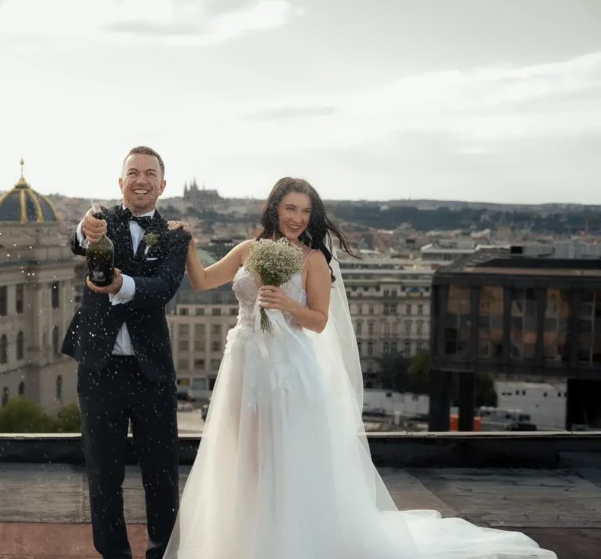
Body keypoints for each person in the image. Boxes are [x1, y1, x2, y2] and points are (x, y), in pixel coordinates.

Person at [162, 177, 556, 559]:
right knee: (242, 456)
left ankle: (285, 543)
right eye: (290, 208)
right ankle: (247, 542)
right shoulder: (249, 248)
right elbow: (201, 281)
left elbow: (318, 319)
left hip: (288, 365)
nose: (297, 218)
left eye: (305, 211)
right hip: (245, 361)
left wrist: (286, 304)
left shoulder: (313, 259)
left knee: (284, 457)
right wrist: (190, 246)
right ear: (274, 209)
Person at [62, 145, 191, 559]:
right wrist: (85, 230)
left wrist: (121, 286)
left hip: (152, 371)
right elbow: (79, 241)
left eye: (150, 173)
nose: (141, 179)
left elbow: (165, 288)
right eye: (133, 172)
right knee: (103, 472)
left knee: (162, 474)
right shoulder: (101, 219)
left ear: (162, 185)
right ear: (121, 183)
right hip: (99, 368)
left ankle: (163, 552)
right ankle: (113, 554)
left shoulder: (175, 235)